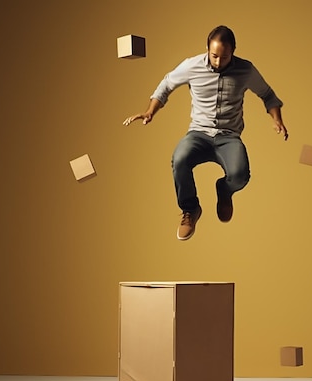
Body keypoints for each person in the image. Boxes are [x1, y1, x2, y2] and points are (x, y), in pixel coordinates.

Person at [123, 25, 288, 241]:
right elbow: (166, 85)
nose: (218, 62)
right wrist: (150, 111)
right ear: (207, 49)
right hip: (199, 134)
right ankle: (191, 210)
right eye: (214, 56)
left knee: (240, 175)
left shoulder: (246, 70)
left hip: (228, 137)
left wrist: (277, 119)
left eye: (225, 57)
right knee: (179, 159)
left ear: (234, 52)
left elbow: (267, 94)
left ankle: (225, 190)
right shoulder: (191, 66)